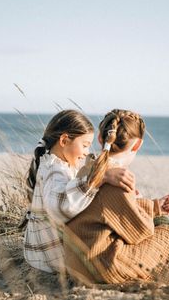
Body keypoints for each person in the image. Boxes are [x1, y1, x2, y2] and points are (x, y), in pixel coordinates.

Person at [64, 109, 169, 286]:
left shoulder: (87, 168)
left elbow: (109, 212)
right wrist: (153, 213)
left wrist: (154, 206)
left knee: (164, 221)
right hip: (101, 266)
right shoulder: (117, 178)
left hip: (76, 262)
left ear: (100, 138)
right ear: (138, 145)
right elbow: (141, 231)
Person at [23, 109, 136, 273]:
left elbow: (77, 181)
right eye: (84, 145)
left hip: (41, 253)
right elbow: (61, 207)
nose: (86, 152)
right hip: (51, 257)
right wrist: (100, 178)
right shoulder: (54, 170)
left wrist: (97, 172)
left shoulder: (58, 163)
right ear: (64, 140)